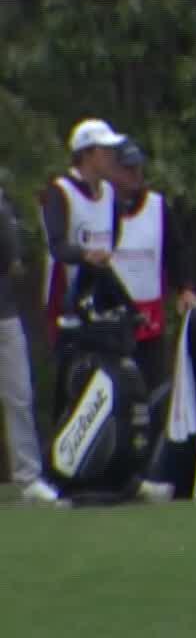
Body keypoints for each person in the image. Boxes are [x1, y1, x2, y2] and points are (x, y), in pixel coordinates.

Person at [39, 118, 126, 410]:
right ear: (87, 154)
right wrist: (85, 255)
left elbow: (113, 236)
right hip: (66, 301)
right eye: (105, 150)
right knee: (69, 385)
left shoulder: (110, 193)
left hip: (97, 299)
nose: (112, 157)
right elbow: (57, 244)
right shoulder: (60, 191)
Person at [108, 139, 192, 388]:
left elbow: (176, 251)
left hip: (149, 318)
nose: (135, 175)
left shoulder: (157, 206)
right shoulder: (100, 206)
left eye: (138, 168)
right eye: (128, 169)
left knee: (151, 385)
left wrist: (185, 287)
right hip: (111, 318)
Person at [1, 186, 66, 505]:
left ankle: (28, 478)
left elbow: (15, 262)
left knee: (20, 396)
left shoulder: (3, 203)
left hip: (4, 315)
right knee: (19, 397)